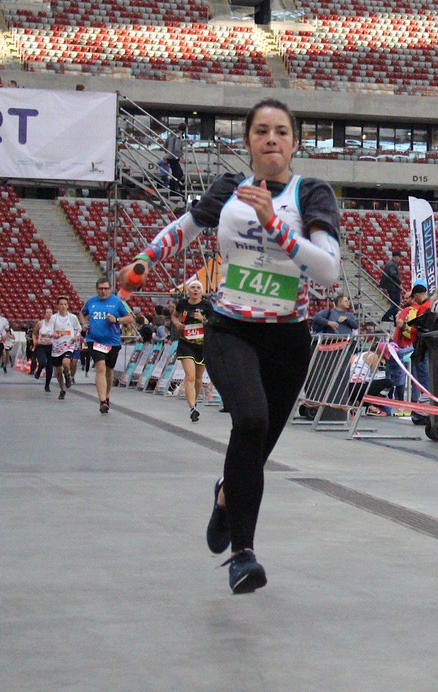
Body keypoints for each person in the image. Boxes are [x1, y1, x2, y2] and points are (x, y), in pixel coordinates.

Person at [117, 98, 342, 594]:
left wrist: (274, 223)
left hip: (288, 339)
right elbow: (185, 228)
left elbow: (328, 271)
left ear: (295, 143)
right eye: (261, 131)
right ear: (247, 142)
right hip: (231, 329)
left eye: (281, 131)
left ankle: (226, 496)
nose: (271, 139)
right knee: (251, 420)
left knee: (255, 452)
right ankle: (243, 555)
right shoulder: (229, 190)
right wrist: (144, 261)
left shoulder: (311, 194)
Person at [79, 278, 134, 413]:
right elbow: (82, 313)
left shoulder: (117, 302)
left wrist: (116, 319)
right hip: (95, 340)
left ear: (110, 289)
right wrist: (84, 324)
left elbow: (130, 318)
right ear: (97, 289)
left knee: (109, 371)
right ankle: (102, 400)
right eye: (101, 289)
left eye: (106, 289)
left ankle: (107, 395)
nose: (103, 291)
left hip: (112, 341)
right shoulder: (91, 301)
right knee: (100, 367)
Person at [172, 280, 214, 422]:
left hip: (202, 345)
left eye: (198, 288)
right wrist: (177, 324)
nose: (195, 290)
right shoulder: (183, 304)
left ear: (201, 291)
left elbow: (213, 323)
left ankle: (194, 403)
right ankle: (192, 408)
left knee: (198, 378)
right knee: (190, 376)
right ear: (188, 291)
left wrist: (203, 319)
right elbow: (174, 315)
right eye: (193, 288)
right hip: (186, 343)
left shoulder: (207, 306)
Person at [49, 297, 82, 400]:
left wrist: (76, 337)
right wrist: (53, 334)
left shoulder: (72, 318)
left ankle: (67, 374)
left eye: (65, 304)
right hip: (57, 346)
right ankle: (62, 390)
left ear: (67, 306)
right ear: (58, 306)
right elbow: (49, 330)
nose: (63, 306)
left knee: (66, 363)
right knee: (58, 371)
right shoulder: (54, 318)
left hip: (68, 344)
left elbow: (78, 329)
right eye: (61, 304)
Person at [33, 306, 54, 391]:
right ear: (44, 314)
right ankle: (38, 371)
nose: (49, 314)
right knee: (42, 363)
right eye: (47, 312)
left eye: (50, 312)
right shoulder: (40, 323)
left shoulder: (55, 324)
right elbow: (34, 333)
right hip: (41, 346)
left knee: (50, 367)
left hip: (51, 346)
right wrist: (35, 341)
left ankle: (47, 385)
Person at [379, 250, 404, 322]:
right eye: (399, 257)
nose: (400, 259)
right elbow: (393, 274)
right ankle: (386, 316)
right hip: (393, 287)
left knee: (394, 304)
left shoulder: (389, 263)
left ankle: (395, 319)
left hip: (391, 286)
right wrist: (399, 283)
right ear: (395, 257)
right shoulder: (392, 264)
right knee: (396, 304)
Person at [164, 123, 186, 197]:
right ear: (184, 130)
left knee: (176, 173)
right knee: (178, 174)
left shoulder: (171, 135)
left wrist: (167, 153)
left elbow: (165, 145)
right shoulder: (178, 136)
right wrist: (180, 157)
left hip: (169, 156)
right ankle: (173, 189)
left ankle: (173, 188)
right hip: (174, 157)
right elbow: (177, 148)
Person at [0, 307, 11, 372]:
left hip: (3, 340)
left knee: (5, 352)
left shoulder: (4, 320)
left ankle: (4, 365)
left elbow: (8, 331)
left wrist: (6, 337)